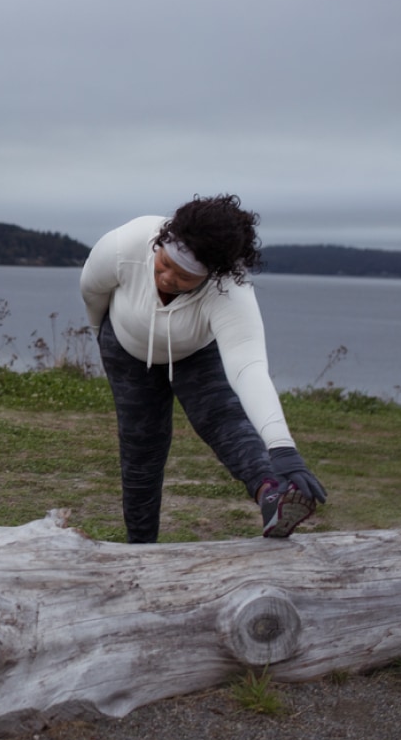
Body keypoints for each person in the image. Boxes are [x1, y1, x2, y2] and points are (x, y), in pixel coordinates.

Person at [79, 194, 327, 543]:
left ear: (211, 276)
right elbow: (92, 293)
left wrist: (282, 447)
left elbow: (249, 367)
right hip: (127, 347)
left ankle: (272, 493)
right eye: (163, 264)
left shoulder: (230, 290)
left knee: (226, 421)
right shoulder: (125, 244)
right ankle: (140, 549)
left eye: (182, 277)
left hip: (193, 351)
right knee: (142, 451)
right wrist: (101, 337)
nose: (166, 278)